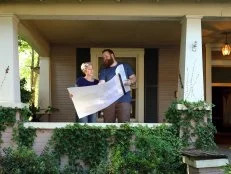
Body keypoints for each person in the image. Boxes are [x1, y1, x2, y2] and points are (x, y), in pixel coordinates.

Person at [99, 49, 136, 123]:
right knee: (108, 124)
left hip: (124, 99)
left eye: (106, 56)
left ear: (112, 55)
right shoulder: (104, 70)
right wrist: (98, 86)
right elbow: (102, 82)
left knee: (124, 124)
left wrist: (130, 81)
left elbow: (133, 78)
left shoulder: (125, 66)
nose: (105, 59)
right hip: (109, 100)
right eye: (103, 57)